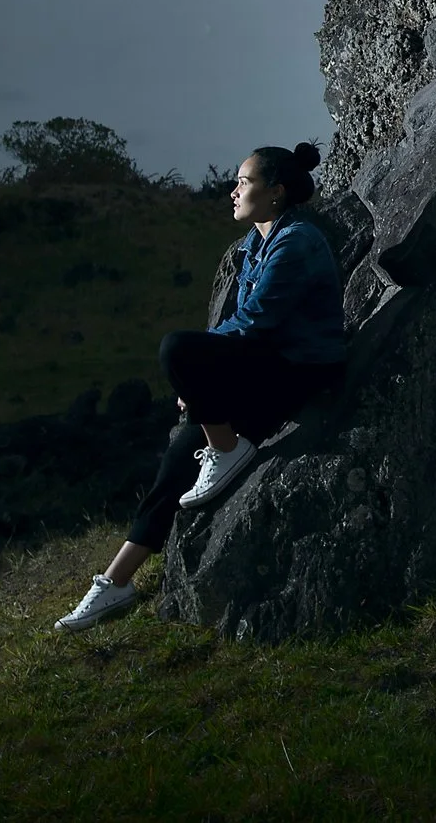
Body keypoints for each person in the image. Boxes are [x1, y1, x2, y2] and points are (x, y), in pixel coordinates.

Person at [55, 141, 346, 632]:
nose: (233, 191)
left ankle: (226, 450)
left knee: (177, 348)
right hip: (268, 368)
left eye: (244, 183)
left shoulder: (297, 241)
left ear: (275, 192)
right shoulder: (257, 242)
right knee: (177, 459)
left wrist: (201, 367)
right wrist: (202, 376)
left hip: (300, 371)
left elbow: (257, 321)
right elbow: (242, 324)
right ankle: (115, 584)